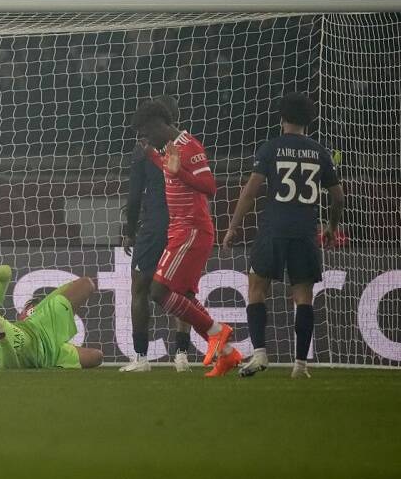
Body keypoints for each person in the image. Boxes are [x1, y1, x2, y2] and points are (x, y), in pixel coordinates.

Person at [222, 93, 345, 379]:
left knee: (256, 288)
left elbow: (250, 192)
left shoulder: (271, 148)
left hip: (274, 229)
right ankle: (300, 365)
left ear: (282, 118)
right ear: (309, 121)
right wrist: (331, 227)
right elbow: (338, 198)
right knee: (303, 296)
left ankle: (260, 354)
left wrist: (232, 227)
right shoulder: (320, 152)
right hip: (305, 231)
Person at [130, 98, 240, 377]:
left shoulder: (189, 146)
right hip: (179, 230)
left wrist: (180, 172)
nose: (146, 139)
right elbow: (169, 169)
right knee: (181, 296)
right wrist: (152, 155)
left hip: (192, 229)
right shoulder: (168, 148)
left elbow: (210, 187)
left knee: (158, 292)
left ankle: (216, 331)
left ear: (158, 124)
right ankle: (227, 353)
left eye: (146, 133)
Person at [120, 97, 192, 373]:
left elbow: (134, 196)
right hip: (183, 225)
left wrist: (129, 231)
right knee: (182, 289)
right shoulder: (190, 146)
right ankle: (182, 356)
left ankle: (141, 358)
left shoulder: (143, 150)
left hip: (155, 226)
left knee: (140, 287)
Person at [0, 264, 103, 370]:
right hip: (46, 358)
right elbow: (11, 368)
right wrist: (2, 338)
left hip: (39, 326)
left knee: (86, 284)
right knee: (97, 358)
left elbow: (7, 273)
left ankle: (28, 317)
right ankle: (56, 350)